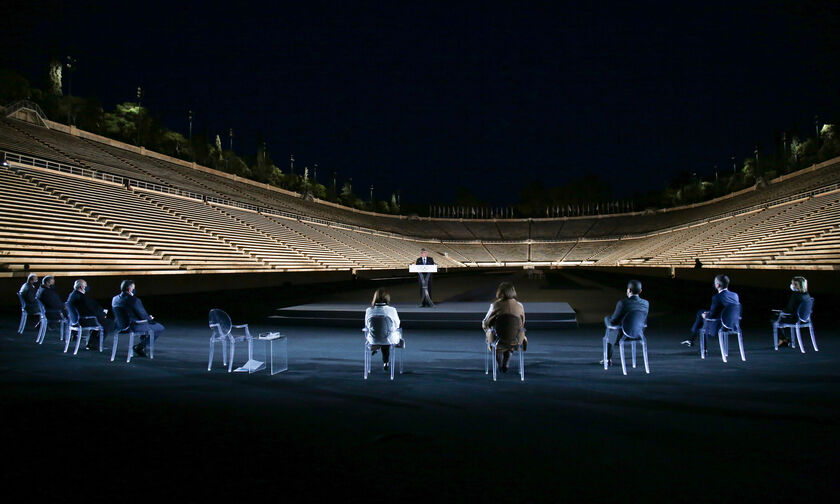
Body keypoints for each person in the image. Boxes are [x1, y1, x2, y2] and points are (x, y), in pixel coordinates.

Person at [682, 274, 739, 348]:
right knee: (701, 312)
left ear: (718, 285)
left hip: (719, 325)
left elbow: (712, 315)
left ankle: (693, 339)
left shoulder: (717, 297)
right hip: (733, 324)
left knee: (701, 315)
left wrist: (706, 315)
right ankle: (691, 338)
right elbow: (728, 310)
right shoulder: (735, 295)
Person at [601, 280, 649, 367]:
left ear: (629, 290)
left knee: (609, 328)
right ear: (640, 291)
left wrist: (607, 320)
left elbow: (613, 321)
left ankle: (607, 359)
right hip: (638, 334)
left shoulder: (623, 303)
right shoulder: (646, 303)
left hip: (622, 335)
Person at [112, 280, 164, 358]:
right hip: (133, 326)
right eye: (134, 288)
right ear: (130, 289)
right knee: (159, 327)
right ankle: (140, 347)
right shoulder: (134, 300)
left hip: (119, 326)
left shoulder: (114, 299)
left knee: (144, 326)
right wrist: (149, 318)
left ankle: (141, 347)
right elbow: (143, 316)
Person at [482, 282, 526, 373]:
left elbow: (486, 322)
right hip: (516, 339)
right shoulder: (520, 306)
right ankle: (507, 358)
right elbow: (522, 323)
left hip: (498, 339)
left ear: (500, 292)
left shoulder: (495, 305)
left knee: (496, 336)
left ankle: (499, 364)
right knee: (510, 334)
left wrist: (487, 328)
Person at [67, 279, 115, 350]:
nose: (87, 287)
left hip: (77, 320)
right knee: (109, 323)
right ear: (81, 287)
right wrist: (103, 314)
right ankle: (95, 344)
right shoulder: (81, 297)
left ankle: (92, 343)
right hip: (84, 320)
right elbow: (91, 310)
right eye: (85, 286)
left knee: (101, 322)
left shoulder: (72, 295)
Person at [364, 288, 403, 371]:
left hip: (374, 338)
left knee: (382, 335)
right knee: (389, 335)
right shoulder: (392, 310)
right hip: (388, 338)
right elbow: (397, 325)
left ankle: (378, 347)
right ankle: (386, 360)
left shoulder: (369, 310)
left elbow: (367, 325)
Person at [774, 276, 811, 347]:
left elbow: (789, 310)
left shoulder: (795, 295)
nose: (792, 285)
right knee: (778, 316)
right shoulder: (806, 294)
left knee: (774, 317)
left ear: (797, 285)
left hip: (794, 319)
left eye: (793, 284)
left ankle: (782, 339)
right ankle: (783, 339)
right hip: (804, 318)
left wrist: (781, 312)